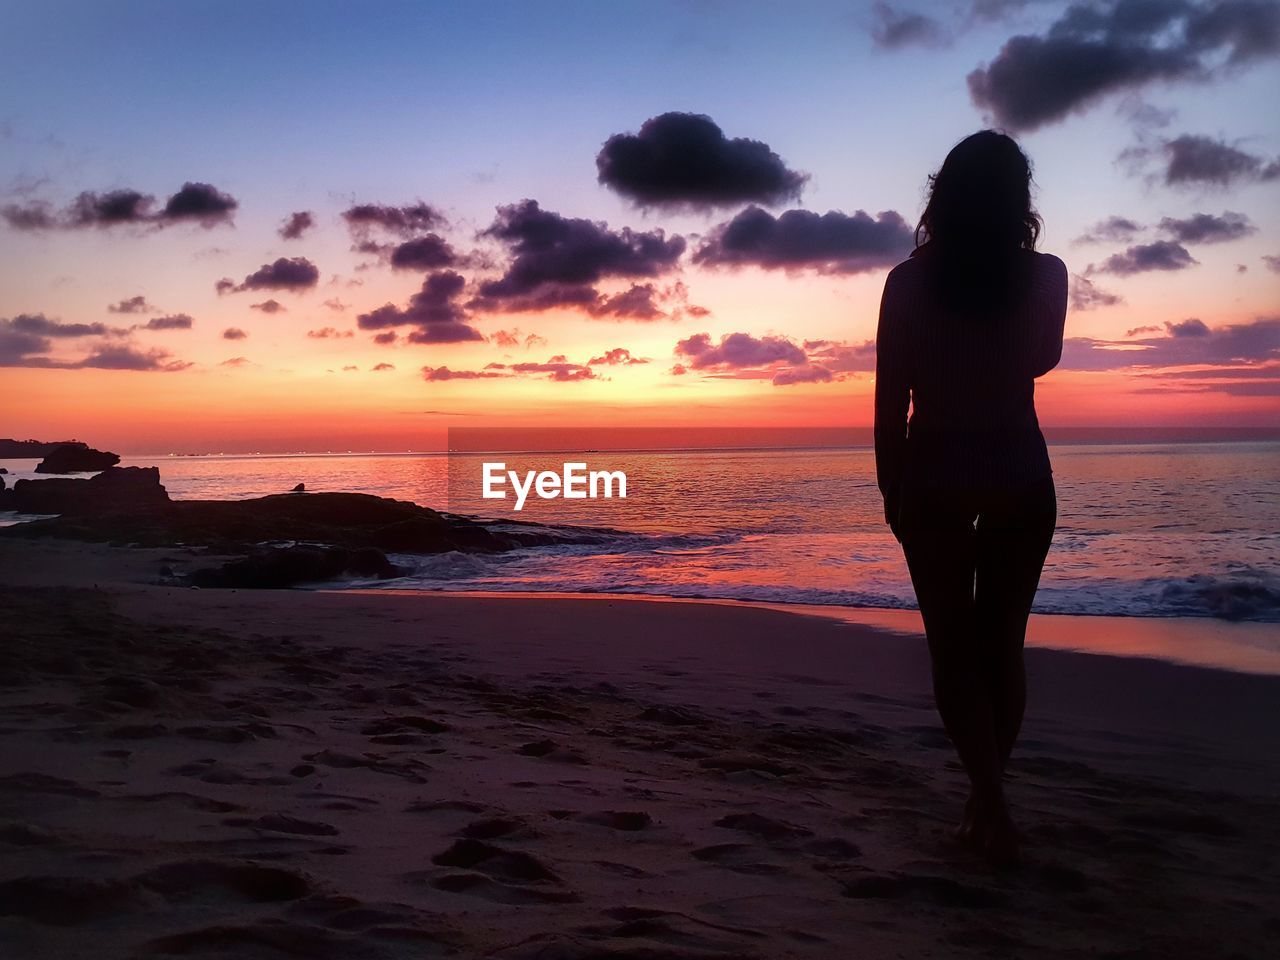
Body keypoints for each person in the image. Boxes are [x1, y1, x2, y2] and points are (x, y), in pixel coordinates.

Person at [873, 130, 1067, 864]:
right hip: (1020, 470)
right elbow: (1041, 359)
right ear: (1020, 202)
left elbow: (892, 400)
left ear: (940, 197)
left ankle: (989, 802)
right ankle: (990, 803)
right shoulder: (1045, 276)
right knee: (1001, 649)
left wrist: (891, 489)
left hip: (935, 475)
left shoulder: (907, 283)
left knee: (955, 653)